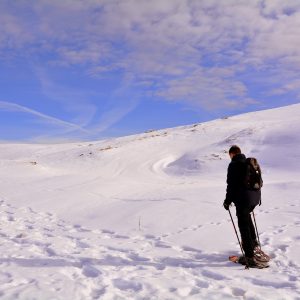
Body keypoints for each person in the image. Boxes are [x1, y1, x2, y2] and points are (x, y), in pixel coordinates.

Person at [223, 145, 261, 266]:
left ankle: (249, 256)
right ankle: (254, 244)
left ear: (232, 154)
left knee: (243, 226)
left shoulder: (234, 165)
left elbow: (231, 185)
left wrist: (227, 201)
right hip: (254, 198)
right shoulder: (248, 163)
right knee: (247, 218)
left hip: (243, 199)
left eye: (230, 155)